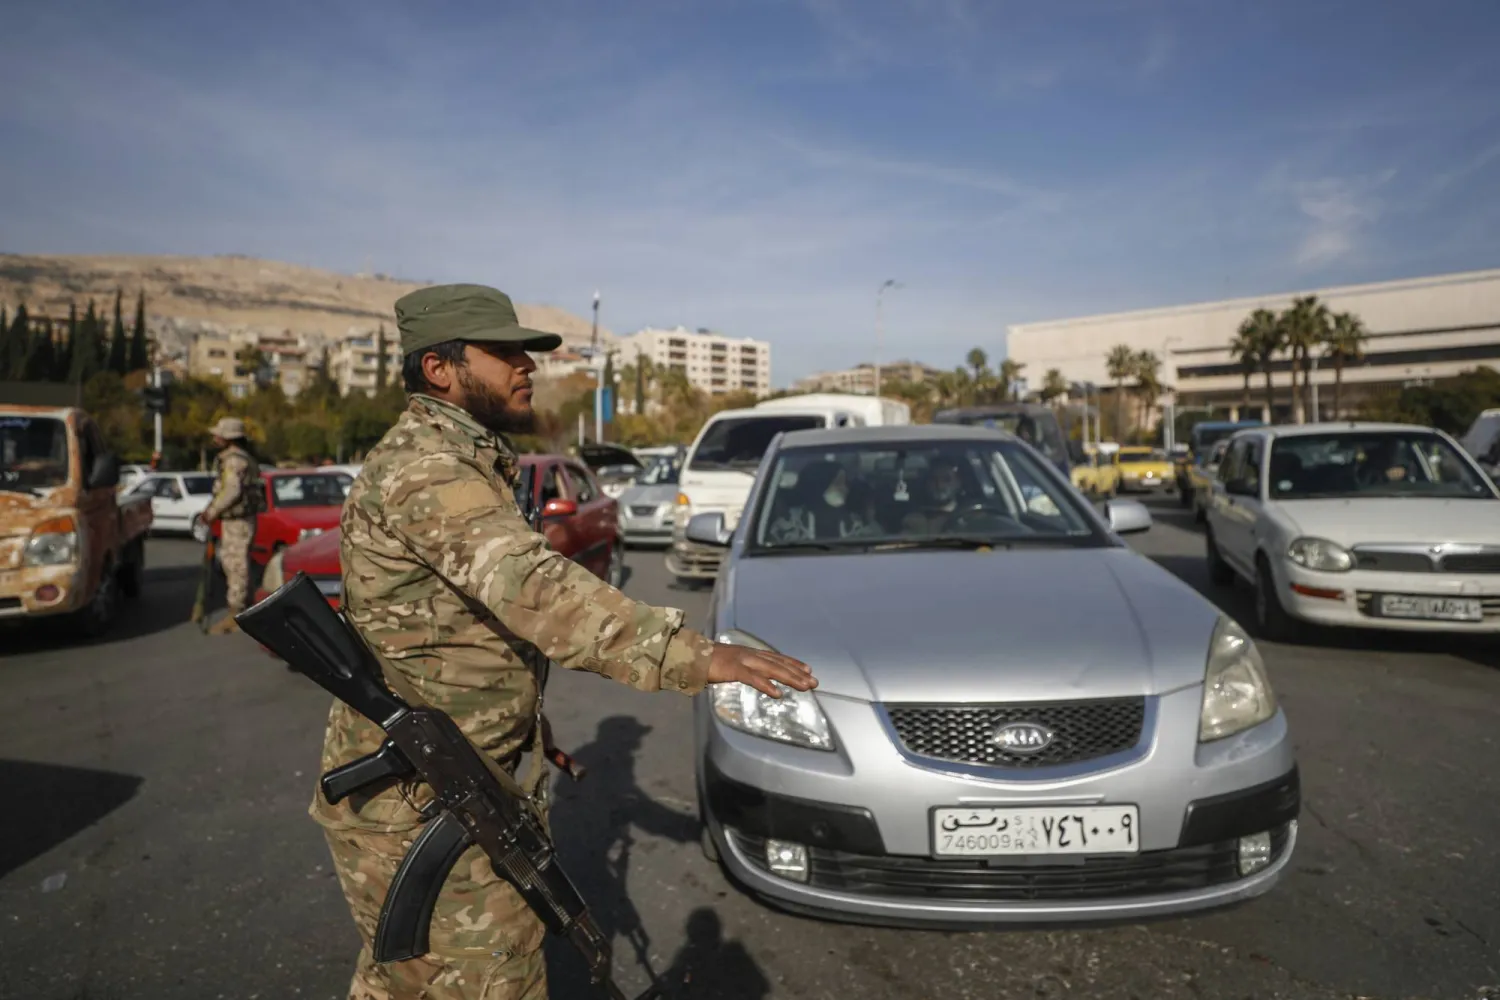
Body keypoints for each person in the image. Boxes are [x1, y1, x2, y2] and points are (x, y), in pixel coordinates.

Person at [316, 283, 816, 1000]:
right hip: (416, 792)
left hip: (448, 771)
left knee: (409, 983)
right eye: (505, 352)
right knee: (477, 984)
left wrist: (524, 722)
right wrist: (699, 656)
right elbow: (536, 592)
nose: (528, 366)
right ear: (441, 369)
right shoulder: (428, 469)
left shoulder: (464, 458)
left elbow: (455, 633)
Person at [201, 416, 262, 635]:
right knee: (238, 563)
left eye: (219, 434)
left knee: (235, 564)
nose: (215, 438)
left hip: (238, 521)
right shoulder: (240, 457)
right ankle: (248, 609)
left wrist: (211, 512)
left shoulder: (234, 460)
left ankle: (236, 614)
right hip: (239, 519)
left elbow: (232, 491)